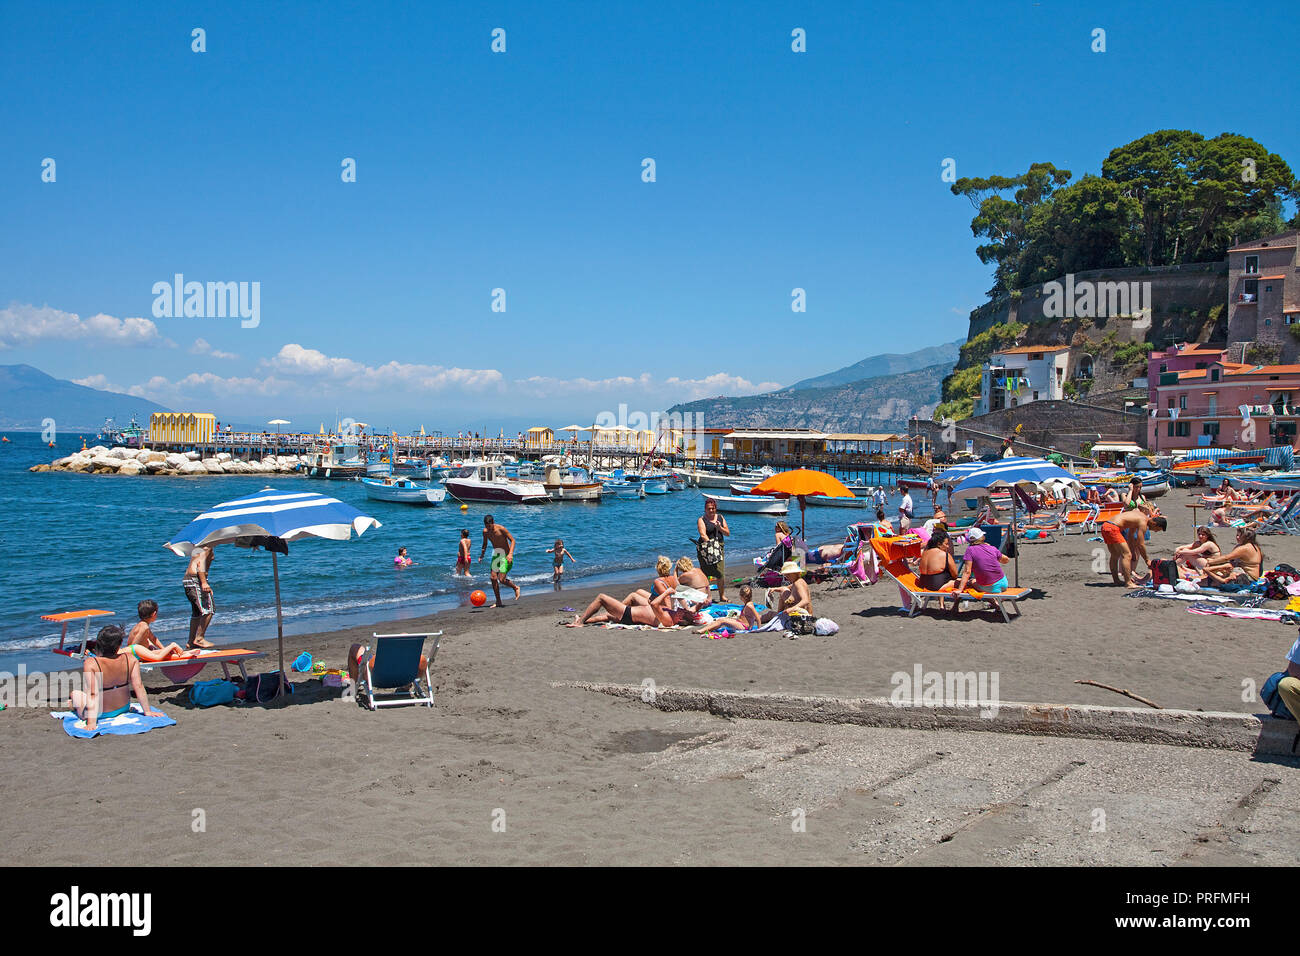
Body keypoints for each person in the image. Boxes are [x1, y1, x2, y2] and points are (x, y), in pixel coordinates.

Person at [70, 625, 163, 732]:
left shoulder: (91, 663)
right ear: (119, 645)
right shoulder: (131, 659)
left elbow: (93, 693)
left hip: (101, 713)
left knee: (75, 694)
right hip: (123, 708)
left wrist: (91, 722)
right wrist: (147, 711)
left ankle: (72, 702)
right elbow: (139, 686)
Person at [1098, 510, 1167, 587]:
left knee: (1115, 555)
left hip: (1106, 526)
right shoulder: (1143, 522)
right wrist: (1147, 560)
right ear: (1155, 524)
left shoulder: (1139, 516)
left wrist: (1133, 550)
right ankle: (1128, 583)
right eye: (1156, 529)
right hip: (1113, 528)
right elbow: (1140, 544)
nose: (1155, 531)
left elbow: (1130, 536)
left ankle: (1116, 580)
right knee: (1127, 555)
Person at [570, 589, 694, 628]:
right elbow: (691, 613)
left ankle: (580, 622)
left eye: (683, 611)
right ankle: (581, 619)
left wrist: (667, 592)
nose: (683, 609)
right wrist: (701, 603)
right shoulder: (674, 614)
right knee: (634, 596)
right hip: (633, 612)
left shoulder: (668, 620)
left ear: (680, 618)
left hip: (628, 614)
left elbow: (654, 604)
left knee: (601, 598)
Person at [125, 600, 200, 662]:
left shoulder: (141, 624)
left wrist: (163, 649)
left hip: (138, 653)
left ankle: (183, 653)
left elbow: (153, 638)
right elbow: (134, 645)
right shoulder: (144, 627)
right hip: (136, 655)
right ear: (154, 614)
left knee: (163, 652)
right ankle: (183, 654)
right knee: (166, 656)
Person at [955, 526, 1011, 593]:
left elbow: (967, 571)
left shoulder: (970, 550)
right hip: (1004, 583)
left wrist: (960, 589)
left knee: (972, 582)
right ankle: (994, 603)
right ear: (982, 537)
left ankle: (994, 602)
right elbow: (1006, 560)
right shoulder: (991, 548)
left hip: (990, 587)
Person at [479, 514, 520, 605]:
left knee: (501, 579)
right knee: (493, 578)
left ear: (493, 523)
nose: (488, 528)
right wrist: (482, 555)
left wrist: (510, 554)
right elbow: (484, 544)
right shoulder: (485, 532)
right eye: (486, 526)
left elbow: (513, 540)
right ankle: (498, 601)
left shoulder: (501, 529)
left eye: (489, 526)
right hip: (497, 554)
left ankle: (515, 587)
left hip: (506, 555)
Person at [917, 527, 960, 608]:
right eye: (946, 544)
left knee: (943, 575)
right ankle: (955, 607)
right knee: (962, 583)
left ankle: (942, 605)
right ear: (939, 544)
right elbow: (955, 574)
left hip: (923, 585)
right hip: (937, 586)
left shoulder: (924, 554)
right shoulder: (945, 555)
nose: (948, 547)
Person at [696, 498, 730, 602]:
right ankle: (706, 596)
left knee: (720, 572)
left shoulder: (720, 517)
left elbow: (727, 533)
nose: (711, 511)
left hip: (719, 547)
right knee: (705, 572)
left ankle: (722, 596)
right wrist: (711, 546)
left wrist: (720, 528)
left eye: (713, 508)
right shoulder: (701, 520)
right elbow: (703, 534)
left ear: (715, 508)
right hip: (706, 548)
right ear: (705, 509)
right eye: (709, 509)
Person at [182, 544, 215, 649]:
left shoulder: (200, 546)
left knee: (197, 612)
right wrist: (204, 583)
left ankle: (191, 641)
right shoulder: (206, 547)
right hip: (195, 579)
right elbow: (200, 564)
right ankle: (199, 638)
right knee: (209, 609)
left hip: (189, 580)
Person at [698, 584, 762, 635]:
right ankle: (705, 629)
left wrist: (759, 629)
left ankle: (702, 631)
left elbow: (757, 617)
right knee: (721, 619)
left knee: (722, 621)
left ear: (742, 597)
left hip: (744, 627)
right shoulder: (748, 604)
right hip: (740, 623)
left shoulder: (749, 605)